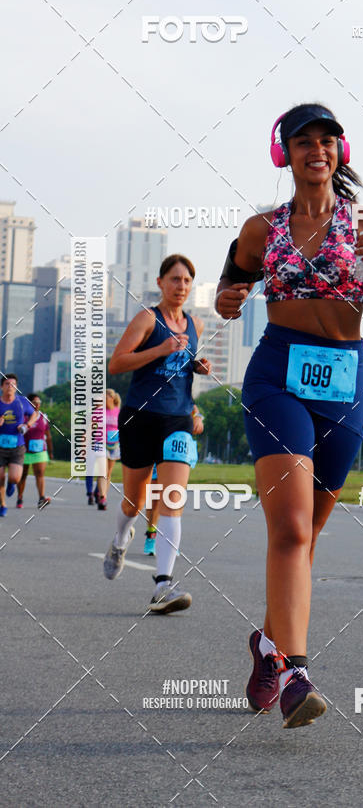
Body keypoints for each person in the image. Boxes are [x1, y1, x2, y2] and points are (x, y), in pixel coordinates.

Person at [216, 103, 363, 728]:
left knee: (308, 540)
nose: (317, 150)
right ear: (285, 154)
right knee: (292, 530)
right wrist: (227, 299)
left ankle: (266, 644)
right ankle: (296, 673)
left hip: (345, 381)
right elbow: (230, 298)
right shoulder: (261, 229)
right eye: (303, 141)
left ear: (341, 151)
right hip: (278, 376)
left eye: (327, 140)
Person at [102, 255, 211, 613]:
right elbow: (117, 363)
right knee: (134, 500)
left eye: (186, 281)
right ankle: (120, 539)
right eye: (175, 279)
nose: (181, 286)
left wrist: (197, 368)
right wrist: (160, 349)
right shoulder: (148, 319)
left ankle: (163, 584)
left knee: (172, 498)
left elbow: (183, 375)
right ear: (161, 283)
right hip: (139, 418)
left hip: (177, 420)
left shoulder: (195, 324)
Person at [143, 405, 204, 556]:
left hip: (177, 445)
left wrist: (198, 418)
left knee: (174, 495)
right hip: (155, 442)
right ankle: (151, 535)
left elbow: (196, 415)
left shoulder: (183, 390)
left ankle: (169, 540)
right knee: (154, 496)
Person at [0, 374, 40, 515]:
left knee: (15, 477)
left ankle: (12, 483)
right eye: (7, 384)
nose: (10, 387)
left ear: (16, 387)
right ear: (1, 387)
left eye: (13, 384)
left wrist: (27, 424)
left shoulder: (22, 402)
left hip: (17, 446)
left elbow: (35, 414)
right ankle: (3, 505)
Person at [17, 393, 54, 509]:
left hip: (40, 450)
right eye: (34, 402)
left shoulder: (43, 417)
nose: (37, 405)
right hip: (25, 450)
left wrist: (51, 451)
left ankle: (41, 498)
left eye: (39, 403)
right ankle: (20, 497)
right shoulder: (23, 417)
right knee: (23, 475)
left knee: (40, 474)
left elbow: (48, 435)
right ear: (29, 403)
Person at [95, 389, 121, 510]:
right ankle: (102, 497)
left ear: (111, 398)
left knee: (108, 472)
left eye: (104, 397)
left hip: (114, 444)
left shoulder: (118, 412)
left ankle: (103, 493)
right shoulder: (99, 411)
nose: (102, 399)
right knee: (102, 470)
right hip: (100, 442)